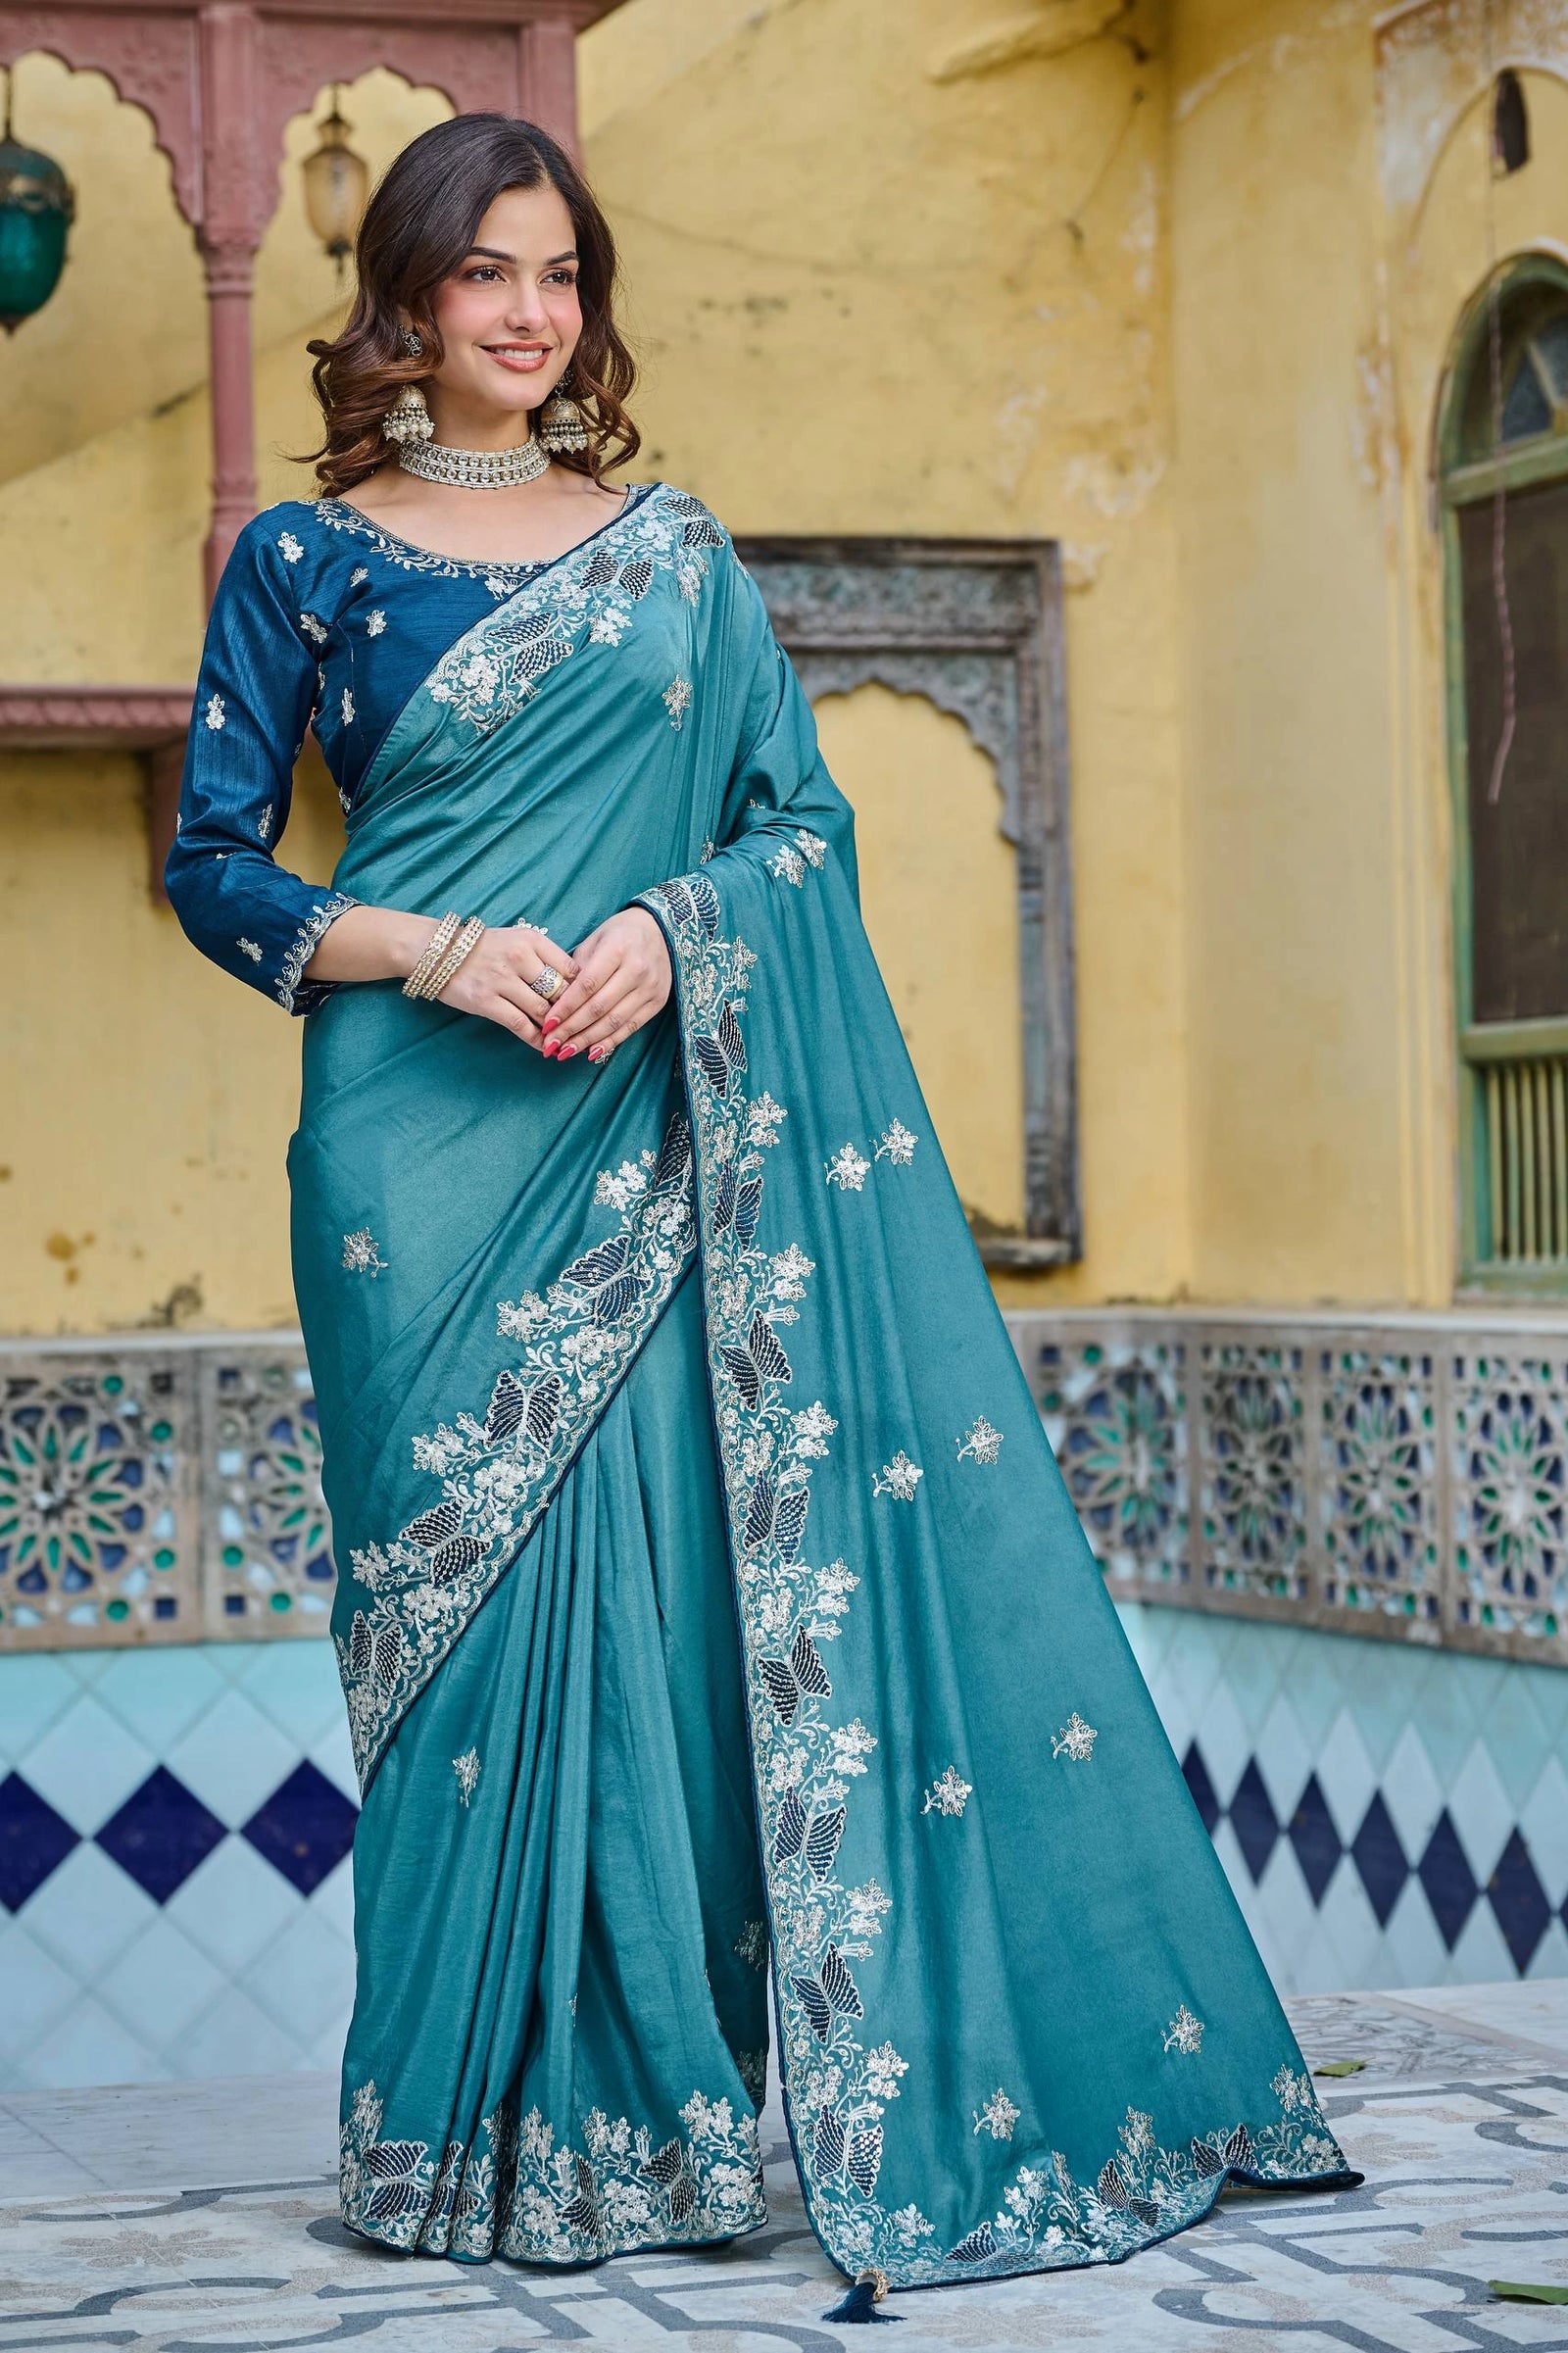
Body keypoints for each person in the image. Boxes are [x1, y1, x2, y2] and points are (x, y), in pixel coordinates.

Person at [166, 111, 1355, 2310]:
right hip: (411, 1161)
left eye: (563, 274)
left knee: (665, 1609)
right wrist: (432, 949)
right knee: (458, 1635)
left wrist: (669, 925)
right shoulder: (305, 562)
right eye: (488, 271)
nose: (533, 313)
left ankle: (666, 2117)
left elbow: (797, 827)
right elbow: (214, 869)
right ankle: (451, 2128)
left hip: (643, 1121)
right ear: (406, 295)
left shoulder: (677, 558)